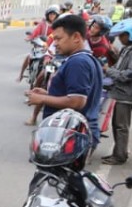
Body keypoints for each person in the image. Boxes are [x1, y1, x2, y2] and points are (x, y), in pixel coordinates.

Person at [26, 14, 104, 149]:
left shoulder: (78, 62)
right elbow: (79, 94)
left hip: (70, 136)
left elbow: (77, 101)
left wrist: (43, 100)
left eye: (58, 39)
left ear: (76, 37)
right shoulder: (85, 59)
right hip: (71, 133)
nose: (55, 43)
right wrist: (47, 94)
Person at [101, 19, 132, 165]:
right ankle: (118, 153)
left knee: (121, 126)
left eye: (123, 35)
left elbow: (128, 75)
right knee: (117, 125)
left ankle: (120, 155)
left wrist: (108, 71)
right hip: (119, 92)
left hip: (126, 94)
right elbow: (118, 67)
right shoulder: (127, 49)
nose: (121, 38)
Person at [18, 6, 60, 84]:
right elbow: (35, 32)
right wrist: (30, 37)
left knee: (50, 69)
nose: (52, 16)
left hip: (53, 52)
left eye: (54, 14)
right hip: (41, 47)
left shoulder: (59, 26)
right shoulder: (43, 24)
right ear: (47, 15)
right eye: (50, 14)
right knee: (29, 56)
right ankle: (21, 75)